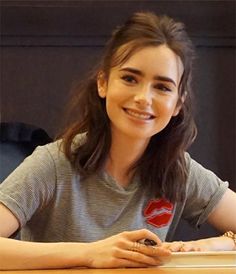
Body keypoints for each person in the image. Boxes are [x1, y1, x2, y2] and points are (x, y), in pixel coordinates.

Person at [0, 11, 235, 270]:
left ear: (178, 103)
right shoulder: (53, 164)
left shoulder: (178, 170)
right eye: (130, 79)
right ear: (103, 83)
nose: (143, 98)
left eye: (162, 87)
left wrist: (221, 243)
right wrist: (89, 254)